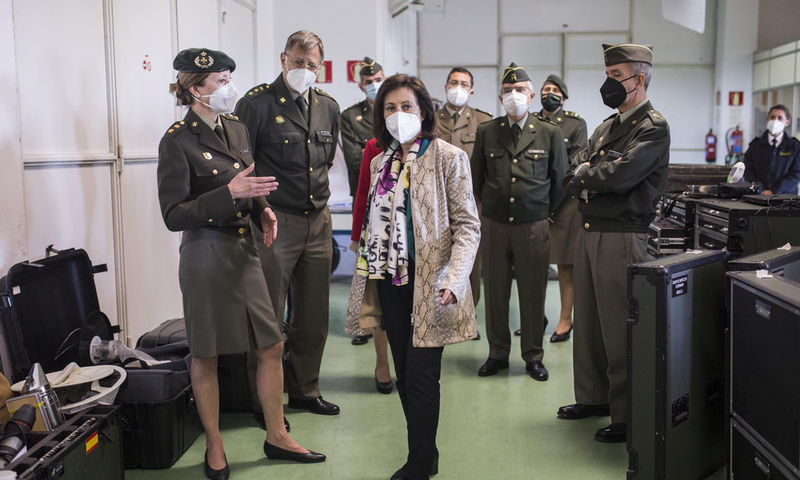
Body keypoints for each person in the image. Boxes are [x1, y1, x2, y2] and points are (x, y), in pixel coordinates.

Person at [157, 48, 325, 479]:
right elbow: (174, 214)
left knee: (271, 344)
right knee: (207, 354)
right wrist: (228, 195)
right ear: (195, 88)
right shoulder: (177, 140)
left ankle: (276, 434)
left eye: (230, 77)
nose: (228, 87)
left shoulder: (234, 126)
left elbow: (245, 178)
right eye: (219, 81)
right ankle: (215, 443)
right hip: (206, 254)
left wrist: (262, 207)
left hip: (246, 250)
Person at [346, 74, 480, 480]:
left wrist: (453, 279)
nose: (398, 114)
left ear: (423, 112)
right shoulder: (379, 162)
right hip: (390, 283)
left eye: (406, 106)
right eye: (390, 107)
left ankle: (420, 462)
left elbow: (468, 227)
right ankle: (425, 453)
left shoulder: (449, 157)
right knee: (405, 375)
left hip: (432, 286)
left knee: (422, 376)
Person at [558, 43, 670, 444]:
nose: (608, 83)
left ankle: (625, 413)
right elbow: (574, 174)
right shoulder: (607, 127)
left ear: (638, 79)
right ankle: (592, 397)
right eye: (607, 75)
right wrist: (592, 173)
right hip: (590, 231)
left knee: (619, 328)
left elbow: (620, 177)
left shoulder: (652, 127)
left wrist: (592, 173)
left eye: (616, 76)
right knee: (587, 322)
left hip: (623, 236)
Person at [234, 30, 341, 417]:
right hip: (274, 222)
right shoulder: (257, 103)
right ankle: (263, 402)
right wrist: (261, 207)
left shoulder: (328, 106)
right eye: (298, 62)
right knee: (267, 317)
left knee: (312, 317)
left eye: (312, 65)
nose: (304, 70)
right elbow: (243, 165)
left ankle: (304, 390)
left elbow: (324, 162)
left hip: (318, 221)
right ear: (283, 59)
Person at [471, 63, 568, 381]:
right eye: (509, 91)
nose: (515, 96)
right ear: (501, 96)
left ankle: (533, 356)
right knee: (496, 292)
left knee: (532, 292)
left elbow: (560, 181)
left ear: (531, 95)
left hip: (533, 225)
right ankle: (497, 353)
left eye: (521, 91)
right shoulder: (487, 131)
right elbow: (476, 179)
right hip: (495, 225)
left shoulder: (549, 132)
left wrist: (542, 214)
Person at [532, 74, 588, 343]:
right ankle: (536, 318)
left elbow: (576, 165)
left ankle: (566, 320)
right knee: (536, 265)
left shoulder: (575, 123)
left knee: (566, 265)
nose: (549, 93)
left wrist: (552, 196)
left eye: (554, 90)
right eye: (545, 89)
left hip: (565, 203)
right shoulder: (531, 122)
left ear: (563, 98)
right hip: (534, 202)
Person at [436, 67, 492, 333]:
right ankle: (438, 315)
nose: (457, 88)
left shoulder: (483, 121)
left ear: (471, 90)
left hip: (470, 204)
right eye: (453, 82)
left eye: (463, 84)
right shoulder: (430, 119)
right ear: (446, 86)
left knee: (470, 263)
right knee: (436, 261)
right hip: (435, 205)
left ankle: (467, 316)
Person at [342, 56, 386, 346]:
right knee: (364, 267)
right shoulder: (350, 116)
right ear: (361, 86)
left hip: (394, 197)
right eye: (368, 82)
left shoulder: (393, 111)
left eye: (377, 80)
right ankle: (363, 324)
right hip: (365, 193)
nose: (373, 85)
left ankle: (383, 323)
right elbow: (355, 160)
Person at [743, 104, 800, 195]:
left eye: (780, 118)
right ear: (767, 119)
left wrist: (774, 191)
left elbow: (796, 174)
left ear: (787, 122)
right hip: (758, 195)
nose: (775, 121)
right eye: (772, 117)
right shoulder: (755, 146)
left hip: (786, 197)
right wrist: (759, 189)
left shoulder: (794, 147)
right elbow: (748, 170)